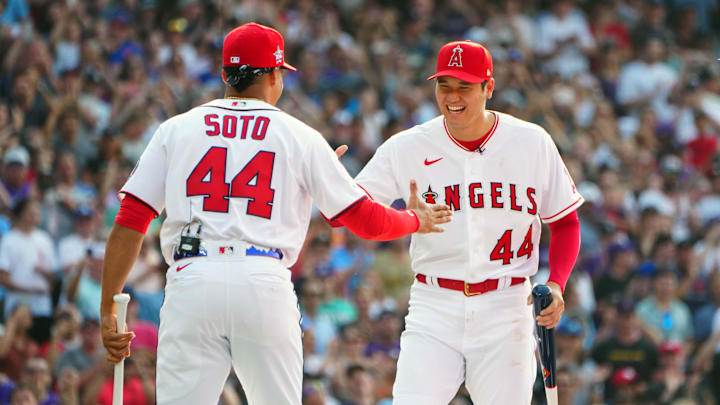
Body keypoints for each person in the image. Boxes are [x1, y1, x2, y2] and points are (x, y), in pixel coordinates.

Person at [99, 22, 451, 405]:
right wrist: (415, 219)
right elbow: (365, 222)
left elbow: (131, 219)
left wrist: (107, 307)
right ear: (273, 75)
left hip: (192, 280)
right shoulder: (299, 136)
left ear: (224, 75)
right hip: (262, 283)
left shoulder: (177, 129)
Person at [335, 40, 583, 403]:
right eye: (444, 85)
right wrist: (401, 218)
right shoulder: (408, 146)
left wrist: (558, 284)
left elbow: (566, 223)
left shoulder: (532, 142)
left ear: (489, 87)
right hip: (434, 304)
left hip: (507, 305)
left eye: (464, 86)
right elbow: (352, 214)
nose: (452, 96)